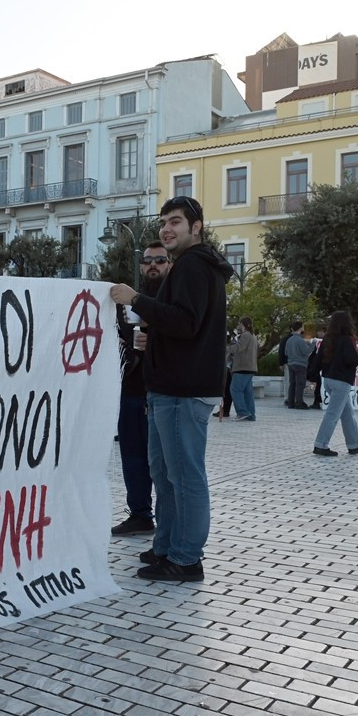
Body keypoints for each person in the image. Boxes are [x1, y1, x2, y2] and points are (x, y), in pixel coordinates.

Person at [109, 195, 231, 582]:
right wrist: (152, 339)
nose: (167, 228)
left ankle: (186, 557)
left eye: (176, 221)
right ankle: (167, 546)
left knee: (184, 476)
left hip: (182, 389)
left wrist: (138, 301)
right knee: (165, 474)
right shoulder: (191, 267)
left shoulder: (194, 266)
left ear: (196, 226)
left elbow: (185, 323)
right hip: (171, 386)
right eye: (164, 221)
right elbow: (183, 327)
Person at [111, 242, 171, 536]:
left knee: (162, 463)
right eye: (147, 260)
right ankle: (140, 514)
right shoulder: (127, 304)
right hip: (131, 389)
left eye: (160, 260)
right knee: (132, 456)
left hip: (162, 393)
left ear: (170, 264)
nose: (153, 265)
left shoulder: (175, 300)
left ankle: (168, 522)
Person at [313, 310, 358, 456]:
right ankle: (320, 444)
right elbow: (350, 359)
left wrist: (312, 376)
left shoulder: (328, 338)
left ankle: (354, 444)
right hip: (341, 381)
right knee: (332, 414)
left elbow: (318, 359)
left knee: (347, 413)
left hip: (328, 379)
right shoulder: (346, 339)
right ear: (347, 322)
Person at [228, 317, 258, 421]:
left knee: (234, 389)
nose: (238, 326)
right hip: (250, 367)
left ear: (242, 324)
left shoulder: (245, 336)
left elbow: (239, 348)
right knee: (247, 392)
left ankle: (242, 412)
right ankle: (250, 414)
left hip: (242, 367)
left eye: (239, 324)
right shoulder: (253, 336)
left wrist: (228, 346)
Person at [285, 322, 314, 409]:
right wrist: (312, 344)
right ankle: (299, 403)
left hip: (290, 364)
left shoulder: (289, 340)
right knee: (300, 384)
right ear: (301, 328)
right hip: (300, 364)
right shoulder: (300, 340)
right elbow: (306, 352)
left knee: (292, 384)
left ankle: (290, 402)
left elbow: (286, 352)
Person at [214, 331, 234, 419]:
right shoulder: (228, 348)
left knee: (226, 391)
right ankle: (224, 410)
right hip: (226, 370)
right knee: (226, 391)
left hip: (226, 370)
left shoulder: (227, 348)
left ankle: (225, 410)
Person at [306, 327, 325, 409]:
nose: (318, 333)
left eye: (319, 331)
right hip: (315, 368)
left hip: (317, 367)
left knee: (317, 385)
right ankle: (316, 400)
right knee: (316, 385)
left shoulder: (325, 342)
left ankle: (317, 401)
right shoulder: (317, 342)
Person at [277, 324, 294, 406]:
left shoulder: (285, 338)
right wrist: (281, 362)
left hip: (288, 362)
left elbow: (281, 351)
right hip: (289, 362)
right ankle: (288, 397)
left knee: (288, 380)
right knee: (288, 381)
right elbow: (281, 351)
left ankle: (288, 397)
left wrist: (281, 363)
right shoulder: (286, 339)